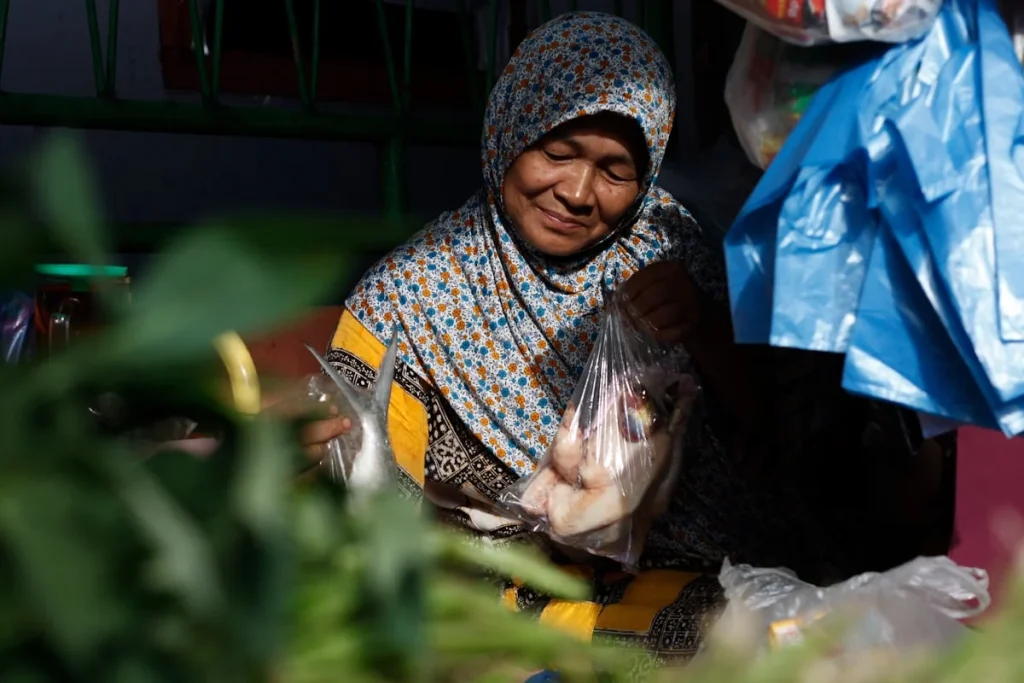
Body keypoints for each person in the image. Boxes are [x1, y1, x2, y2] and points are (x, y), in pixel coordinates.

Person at [303, 12, 832, 667]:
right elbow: (369, 502)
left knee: (754, 638)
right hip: (501, 587)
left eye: (615, 171)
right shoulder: (411, 293)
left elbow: (781, 443)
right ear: (508, 131)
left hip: (680, 578)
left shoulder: (673, 255)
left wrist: (700, 324)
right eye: (557, 152)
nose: (579, 193)